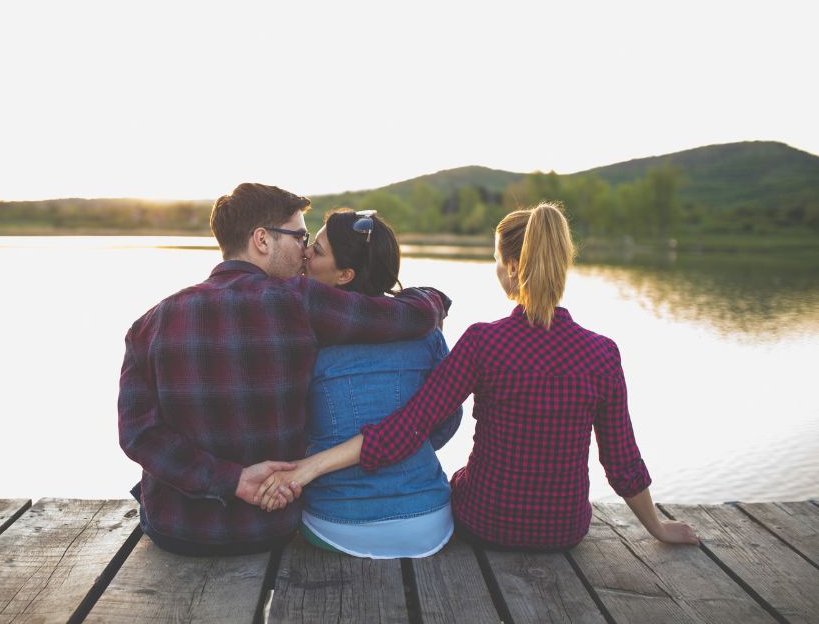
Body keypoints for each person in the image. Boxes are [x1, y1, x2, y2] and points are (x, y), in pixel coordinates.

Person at [257, 202, 699, 551]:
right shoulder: (602, 353)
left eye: (494, 260)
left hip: (487, 523)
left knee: (459, 481)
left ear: (509, 268)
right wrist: (657, 527)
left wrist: (306, 469)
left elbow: (407, 430)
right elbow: (621, 462)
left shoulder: (485, 342)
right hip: (566, 530)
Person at [118, 183, 448, 556]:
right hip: (268, 527)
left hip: (176, 531)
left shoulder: (148, 324)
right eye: (299, 236)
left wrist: (233, 480)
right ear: (262, 239)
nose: (304, 251)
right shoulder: (299, 301)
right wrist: (433, 299)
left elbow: (136, 434)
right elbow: (403, 317)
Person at [299, 209, 462, 558]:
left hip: (338, 521)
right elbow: (445, 424)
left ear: (345, 275)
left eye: (318, 249)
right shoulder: (425, 329)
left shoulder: (306, 335)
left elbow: (293, 430)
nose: (306, 253)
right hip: (429, 521)